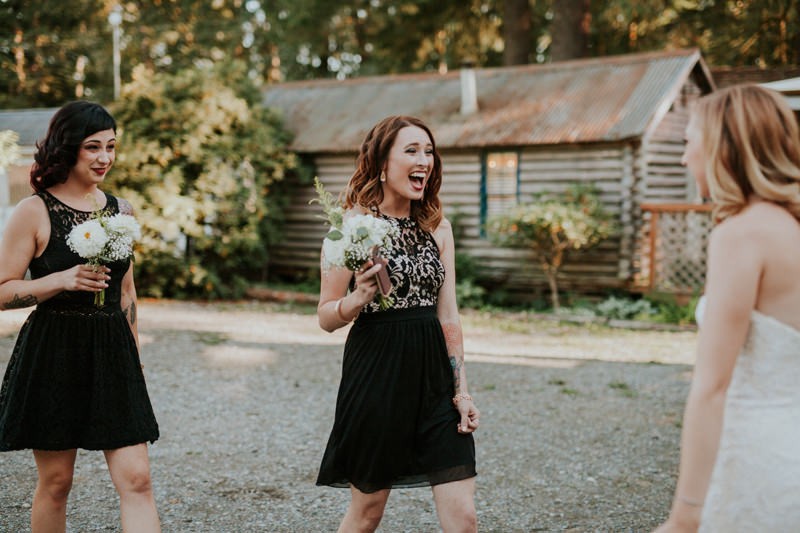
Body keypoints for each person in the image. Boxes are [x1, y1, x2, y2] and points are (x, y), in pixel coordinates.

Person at [0, 101, 161, 532]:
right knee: (56, 483)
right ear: (67, 148)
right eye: (93, 147)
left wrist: (134, 354)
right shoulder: (33, 211)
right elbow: (2, 291)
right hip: (54, 352)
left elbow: (127, 291)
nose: (105, 157)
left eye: (111, 147)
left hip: (112, 352)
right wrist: (59, 281)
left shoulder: (121, 210)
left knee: (138, 480)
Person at [316, 115, 480, 532]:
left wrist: (461, 388)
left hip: (434, 380)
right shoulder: (350, 228)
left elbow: (449, 313)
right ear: (382, 164)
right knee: (367, 513)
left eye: (428, 151)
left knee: (464, 516)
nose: (424, 159)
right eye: (411, 151)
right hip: (377, 375)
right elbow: (326, 315)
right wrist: (357, 298)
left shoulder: (438, 228)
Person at [655, 85, 800, 532]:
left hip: (756, 460)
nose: (684, 159)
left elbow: (711, 388)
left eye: (688, 142)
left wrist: (685, 514)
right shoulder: (791, 228)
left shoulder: (741, 235)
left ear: (723, 147)